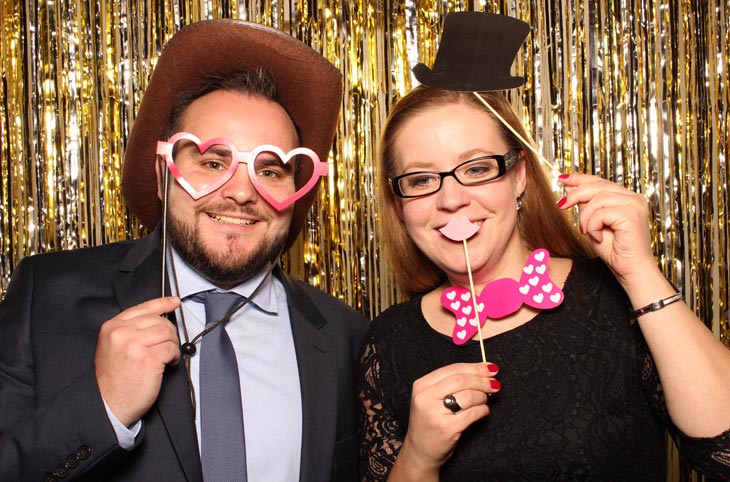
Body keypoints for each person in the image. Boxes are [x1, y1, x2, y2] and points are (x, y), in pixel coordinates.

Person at [358, 11, 730, 482]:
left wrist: (640, 275)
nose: (451, 199)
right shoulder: (388, 341)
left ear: (519, 176)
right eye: (421, 179)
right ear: (399, 204)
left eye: (477, 168)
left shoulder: (615, 297)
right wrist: (418, 458)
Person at [0, 19, 368, 482]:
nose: (241, 193)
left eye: (270, 172)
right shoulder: (47, 298)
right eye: (213, 162)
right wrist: (103, 407)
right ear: (163, 176)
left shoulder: (346, 335)